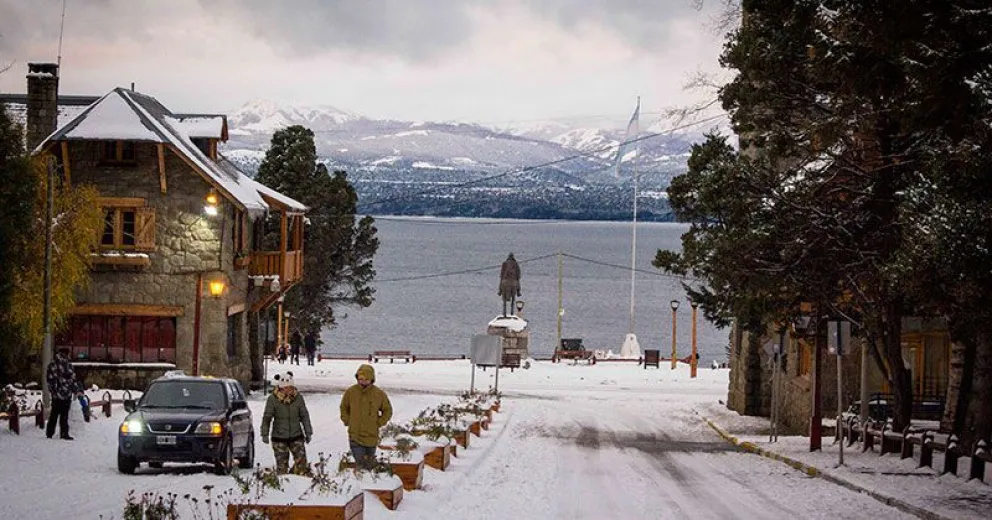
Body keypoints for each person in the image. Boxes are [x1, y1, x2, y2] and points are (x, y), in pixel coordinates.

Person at [340, 364, 392, 469]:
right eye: (360, 379)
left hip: (371, 436)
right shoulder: (350, 392)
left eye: (366, 379)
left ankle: (368, 483)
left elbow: (387, 410)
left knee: (369, 465)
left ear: (371, 379)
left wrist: (379, 422)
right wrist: (347, 421)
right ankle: (359, 483)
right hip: (355, 435)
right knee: (361, 463)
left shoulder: (379, 394)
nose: (362, 381)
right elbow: (344, 408)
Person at [261, 371, 313, 475]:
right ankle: (284, 487)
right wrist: (264, 433)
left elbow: (304, 416)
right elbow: (267, 417)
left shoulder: (298, 398)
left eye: (290, 387)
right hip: (279, 438)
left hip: (296, 436)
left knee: (302, 464)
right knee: (282, 468)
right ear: (280, 388)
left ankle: (300, 483)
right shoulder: (272, 399)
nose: (288, 390)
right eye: (285, 388)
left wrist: (308, 432)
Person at [46, 347, 83, 440]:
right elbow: (72, 380)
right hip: (65, 394)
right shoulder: (67, 365)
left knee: (55, 414)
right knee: (63, 415)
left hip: (59, 394)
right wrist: (75, 389)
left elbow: (50, 379)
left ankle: (50, 433)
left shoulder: (54, 365)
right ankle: (63, 433)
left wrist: (53, 391)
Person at [498, 252, 522, 317]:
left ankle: (500, 291)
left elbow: (501, 275)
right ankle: (518, 292)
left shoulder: (504, 263)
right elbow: (518, 275)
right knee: (513, 299)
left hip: (505, 282)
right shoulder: (516, 264)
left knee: (504, 299)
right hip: (513, 282)